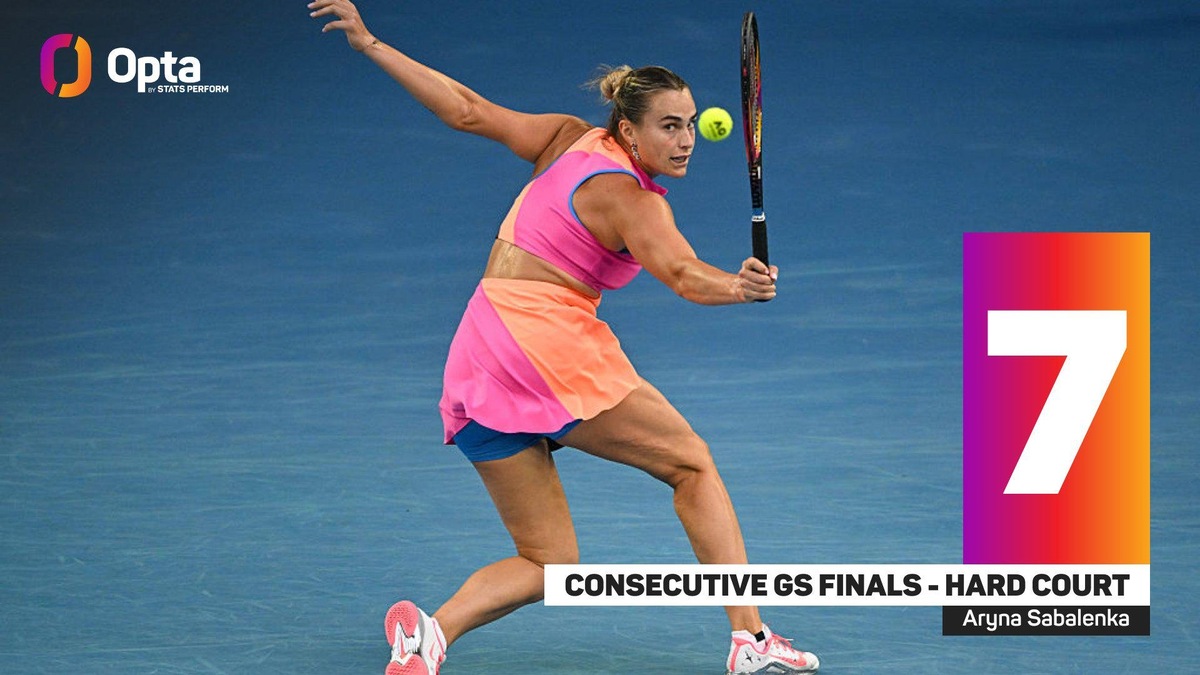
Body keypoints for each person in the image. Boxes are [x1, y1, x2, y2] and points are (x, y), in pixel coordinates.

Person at [309, 2, 820, 673]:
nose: (687, 139)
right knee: (691, 464)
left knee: (549, 561)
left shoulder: (566, 138)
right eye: (669, 126)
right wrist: (738, 286)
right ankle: (750, 639)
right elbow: (682, 273)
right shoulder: (633, 200)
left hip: (480, 345)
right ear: (629, 129)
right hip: (542, 339)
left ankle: (429, 636)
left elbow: (466, 110)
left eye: (692, 124)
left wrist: (371, 44)